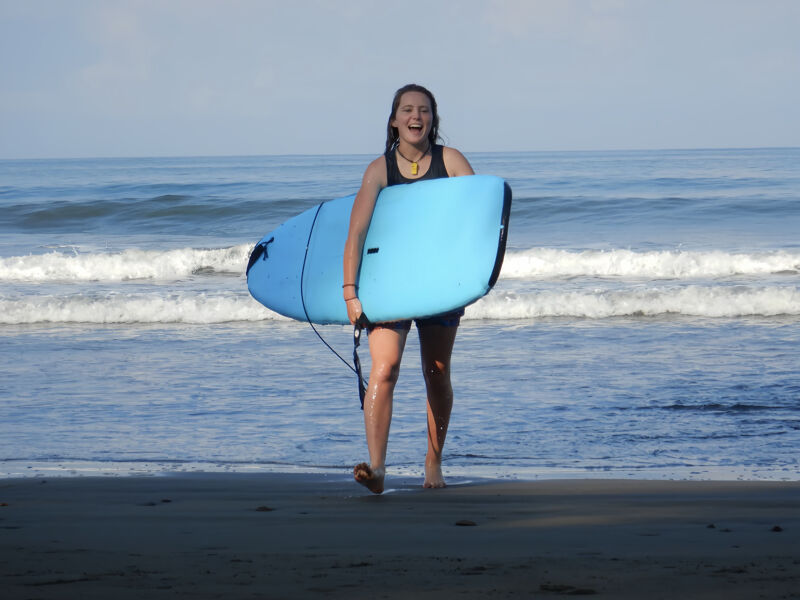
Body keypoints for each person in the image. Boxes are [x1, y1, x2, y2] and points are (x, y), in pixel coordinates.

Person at [342, 84, 474, 494]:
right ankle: (377, 469)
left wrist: (470, 277)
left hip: (438, 283)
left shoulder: (450, 161)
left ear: (433, 120)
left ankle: (433, 461)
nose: (416, 117)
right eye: (407, 110)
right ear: (394, 120)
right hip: (390, 283)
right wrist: (350, 291)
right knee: (385, 368)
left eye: (424, 111)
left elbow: (477, 217)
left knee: (436, 373)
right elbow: (357, 231)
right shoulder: (379, 170)